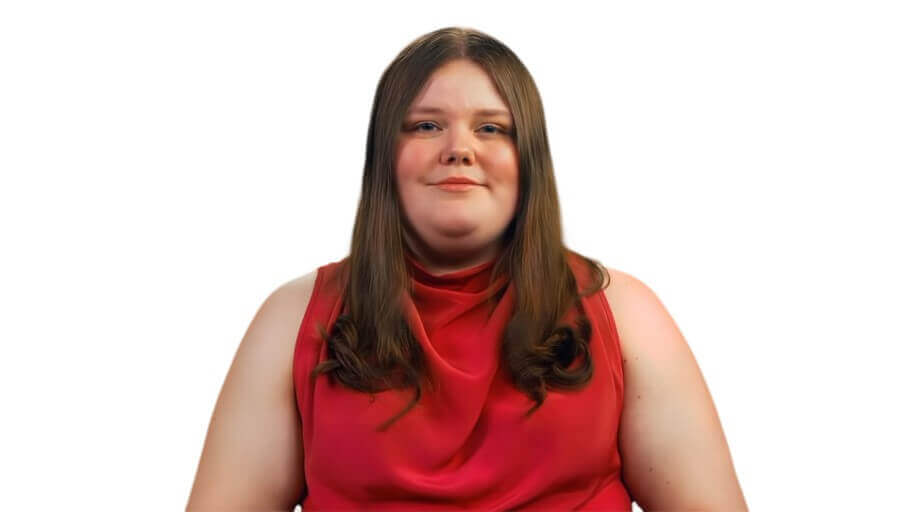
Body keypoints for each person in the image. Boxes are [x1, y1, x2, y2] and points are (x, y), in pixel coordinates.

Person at [187, 27, 748, 511]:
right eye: (426, 126)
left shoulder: (626, 315)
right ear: (384, 158)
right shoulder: (293, 319)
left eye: (491, 128)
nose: (459, 148)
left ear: (529, 159)